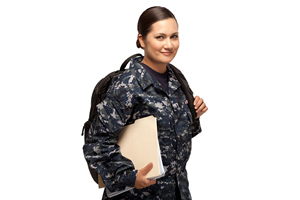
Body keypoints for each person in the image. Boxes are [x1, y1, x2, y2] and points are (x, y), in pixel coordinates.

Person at [83, 6, 208, 200]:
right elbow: (96, 144)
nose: (169, 44)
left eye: (174, 36)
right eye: (160, 37)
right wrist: (129, 176)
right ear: (142, 40)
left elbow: (174, 139)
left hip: (177, 193)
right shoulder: (127, 84)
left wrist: (193, 115)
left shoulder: (176, 79)